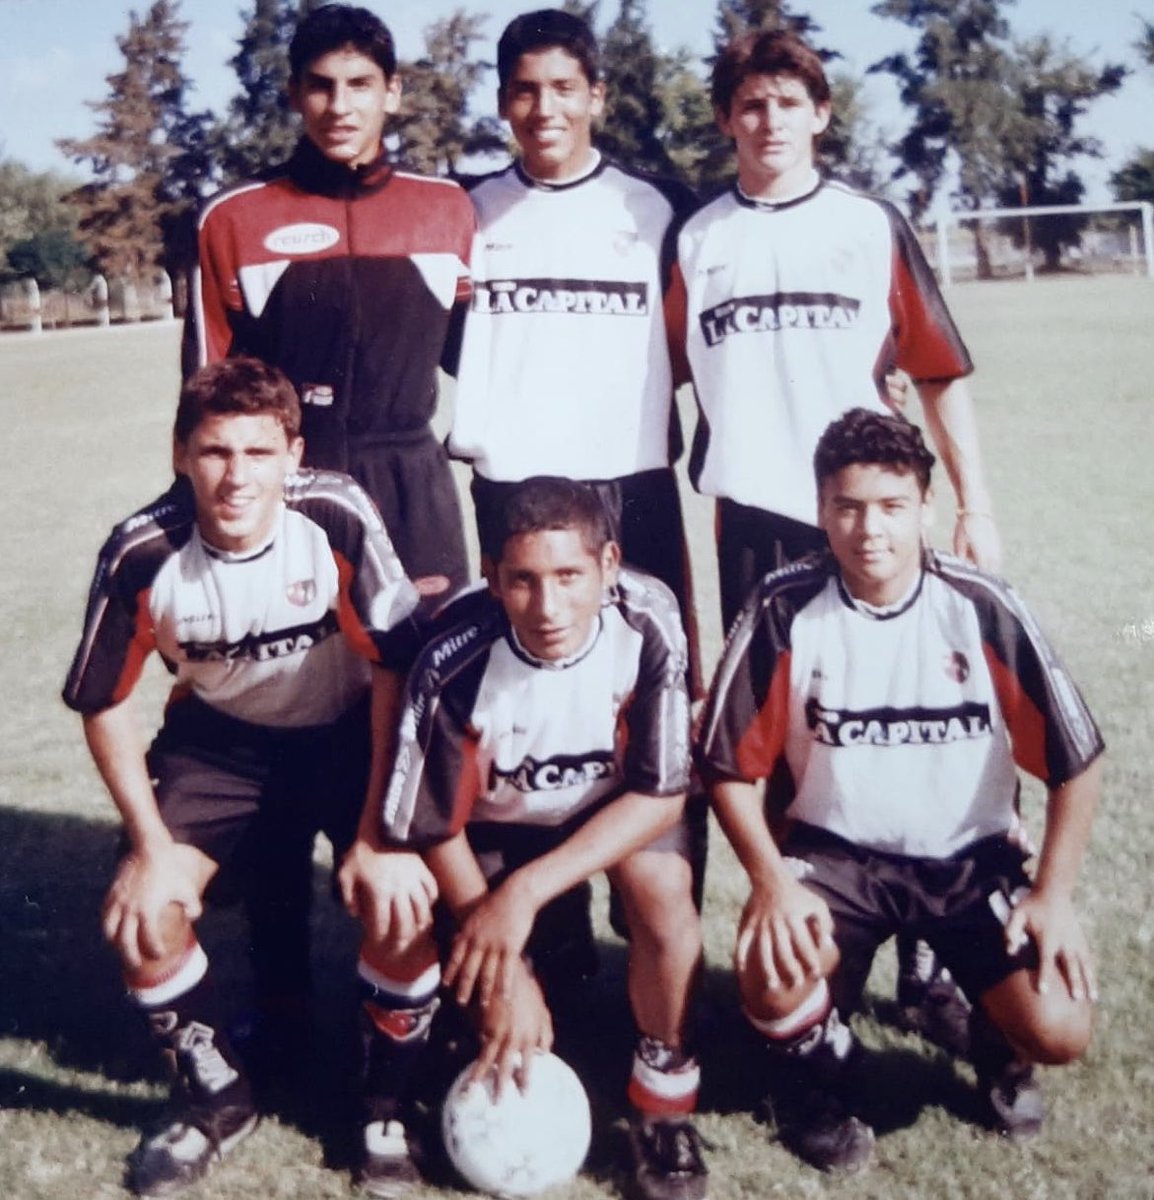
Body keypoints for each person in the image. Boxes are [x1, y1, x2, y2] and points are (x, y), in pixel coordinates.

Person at [666, 26, 1005, 1044]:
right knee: (788, 744)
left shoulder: (867, 225)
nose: (768, 120)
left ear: (819, 113)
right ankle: (812, 941)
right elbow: (661, 371)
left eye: (787, 101)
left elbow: (935, 371)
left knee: (905, 717)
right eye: (749, 103)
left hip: (872, 516)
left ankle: (930, 954)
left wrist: (974, 505)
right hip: (755, 522)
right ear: (727, 118)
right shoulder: (695, 237)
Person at [61, 358, 437, 1197]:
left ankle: (385, 1101)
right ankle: (217, 1096)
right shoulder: (142, 550)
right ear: (180, 455)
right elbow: (102, 702)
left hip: (343, 733)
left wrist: (378, 832)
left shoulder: (334, 514)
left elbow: (393, 669)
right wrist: (151, 847)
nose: (237, 477)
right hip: (219, 744)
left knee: (403, 897)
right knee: (147, 915)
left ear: (293, 456)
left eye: (259, 453)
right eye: (216, 452)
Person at [696, 408, 1103, 1173]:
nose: (868, 530)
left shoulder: (981, 606)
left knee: (1060, 1027)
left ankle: (998, 1042)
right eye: (847, 506)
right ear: (820, 509)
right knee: (768, 973)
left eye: (891, 507)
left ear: (927, 508)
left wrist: (1051, 894)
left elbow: (1077, 761)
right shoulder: (785, 607)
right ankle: (814, 1081)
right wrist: (772, 881)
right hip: (837, 858)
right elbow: (726, 768)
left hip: (968, 862)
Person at [183, 2, 477, 1050]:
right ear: (294, 94)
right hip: (294, 498)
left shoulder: (451, 212)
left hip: (413, 489)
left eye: (360, 83)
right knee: (289, 719)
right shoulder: (234, 218)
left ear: (393, 92)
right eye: (319, 84)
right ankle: (284, 1002)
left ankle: (429, 996)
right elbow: (205, 395)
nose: (339, 103)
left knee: (424, 729)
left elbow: (490, 368)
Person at [367, 477, 708, 1200]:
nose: (547, 607)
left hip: (606, 814)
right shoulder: (453, 659)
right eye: (522, 581)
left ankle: (662, 1100)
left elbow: (660, 794)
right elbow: (434, 825)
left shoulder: (649, 621)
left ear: (610, 564)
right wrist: (506, 967)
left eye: (569, 577)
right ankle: (396, 1090)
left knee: (667, 890)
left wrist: (522, 896)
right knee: (428, 933)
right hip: (489, 826)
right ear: (492, 576)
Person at [449, 7, 698, 678]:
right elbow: (444, 340)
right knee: (524, 672)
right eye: (526, 90)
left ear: (597, 95)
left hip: (631, 477)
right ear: (503, 101)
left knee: (654, 673)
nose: (544, 107)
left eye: (563, 87)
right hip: (514, 480)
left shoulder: (661, 206)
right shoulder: (465, 209)